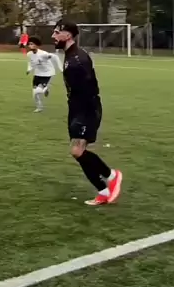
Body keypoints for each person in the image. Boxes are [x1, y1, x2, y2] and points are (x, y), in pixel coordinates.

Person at [52, 19, 122, 207]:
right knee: (77, 152)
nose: (53, 36)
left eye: (56, 32)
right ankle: (103, 192)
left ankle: (112, 176)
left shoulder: (78, 59)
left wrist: (85, 114)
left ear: (67, 35)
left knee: (77, 151)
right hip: (77, 109)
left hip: (86, 109)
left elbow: (89, 88)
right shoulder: (70, 55)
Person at [26, 36, 63, 112]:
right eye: (29, 44)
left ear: (37, 45)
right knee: (34, 93)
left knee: (37, 91)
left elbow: (55, 57)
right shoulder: (29, 54)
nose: (30, 45)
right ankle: (39, 107)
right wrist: (29, 69)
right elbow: (31, 63)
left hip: (47, 74)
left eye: (32, 44)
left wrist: (61, 68)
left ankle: (45, 88)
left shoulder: (43, 54)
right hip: (37, 74)